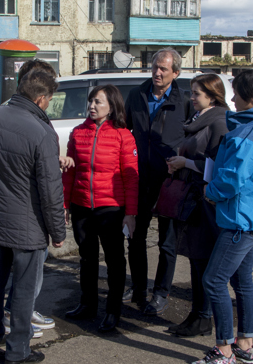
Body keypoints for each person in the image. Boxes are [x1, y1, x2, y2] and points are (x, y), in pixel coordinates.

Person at [0, 68, 66, 364]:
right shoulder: (42, 133)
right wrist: (59, 232)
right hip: (28, 227)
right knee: (23, 290)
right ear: (41, 99)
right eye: (49, 100)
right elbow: (51, 191)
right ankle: (17, 350)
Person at [191, 69, 253, 364]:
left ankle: (223, 350)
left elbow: (235, 175)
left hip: (241, 218)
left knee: (213, 280)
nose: (232, 98)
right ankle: (245, 343)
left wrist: (212, 191)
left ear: (252, 97)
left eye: (237, 93)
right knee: (241, 280)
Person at [62, 85, 139, 333]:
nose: (92, 106)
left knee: (115, 261)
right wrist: (64, 205)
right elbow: (70, 173)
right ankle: (87, 305)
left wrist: (130, 213)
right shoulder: (78, 133)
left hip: (111, 209)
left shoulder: (123, 135)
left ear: (112, 106)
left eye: (98, 102)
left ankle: (113, 310)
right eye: (91, 101)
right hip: (82, 206)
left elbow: (131, 178)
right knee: (87, 258)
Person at [123, 48, 188, 316]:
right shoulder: (136, 96)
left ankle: (161, 293)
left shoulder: (184, 102)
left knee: (167, 242)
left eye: (163, 69)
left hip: (169, 181)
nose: (157, 72)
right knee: (136, 238)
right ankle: (138, 288)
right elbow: (124, 130)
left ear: (176, 73)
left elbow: (191, 139)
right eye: (155, 67)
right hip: (139, 178)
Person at [165, 74, 231, 337]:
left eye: (196, 94)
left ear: (213, 96)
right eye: (191, 93)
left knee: (203, 260)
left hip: (206, 201)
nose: (191, 98)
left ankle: (204, 317)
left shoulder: (219, 121)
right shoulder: (198, 119)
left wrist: (187, 164)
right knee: (196, 259)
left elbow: (218, 166)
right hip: (192, 197)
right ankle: (197, 315)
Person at [2, 59, 62, 339]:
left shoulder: (29, 119)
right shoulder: (24, 121)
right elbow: (48, 187)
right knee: (25, 271)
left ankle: (22, 312)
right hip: (26, 212)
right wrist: (58, 231)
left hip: (14, 209)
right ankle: (17, 321)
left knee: (31, 271)